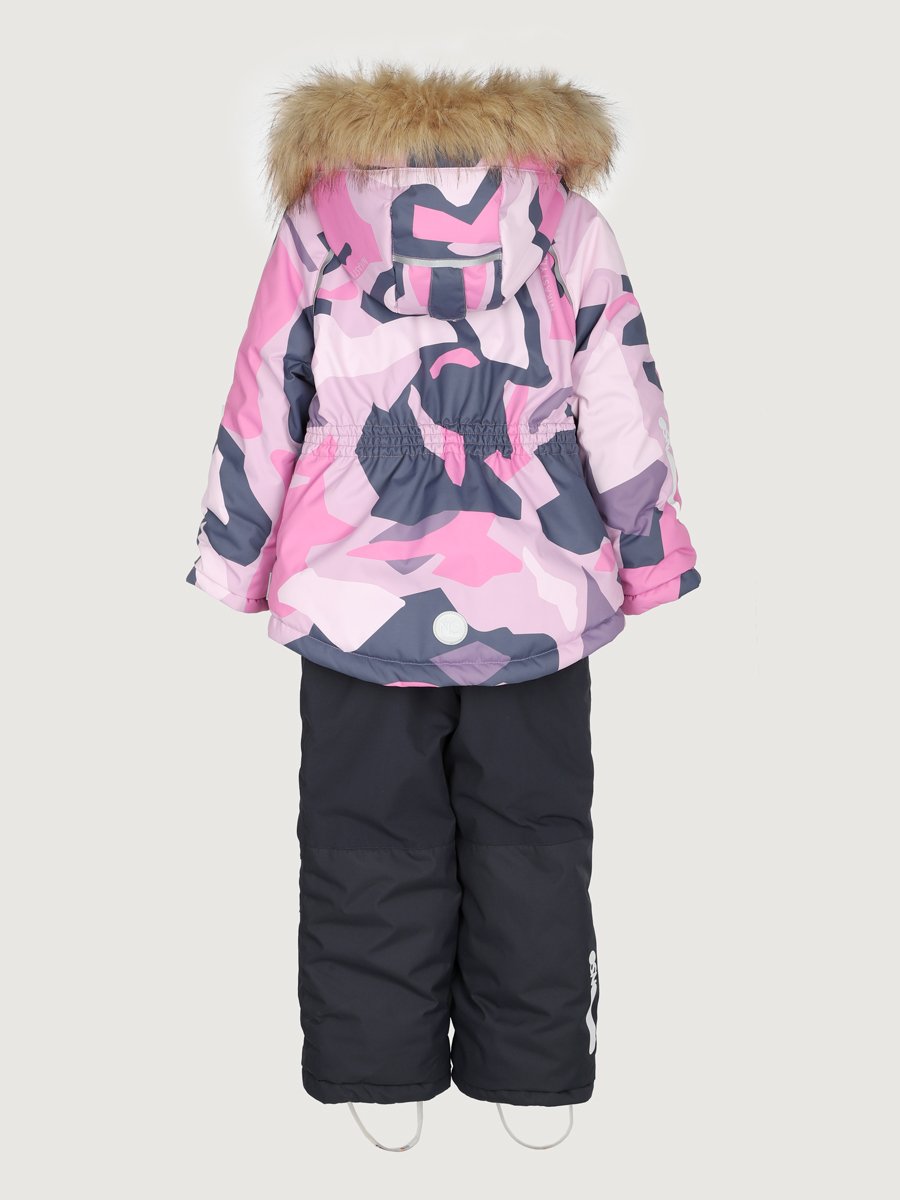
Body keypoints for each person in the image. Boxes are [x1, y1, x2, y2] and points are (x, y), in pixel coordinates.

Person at [187, 63, 700, 1151]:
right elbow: (623, 401)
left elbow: (265, 390)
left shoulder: (318, 226)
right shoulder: (569, 228)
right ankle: (534, 1072)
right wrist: (649, 557)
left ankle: (378, 1074)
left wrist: (236, 558)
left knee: (364, 837)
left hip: (354, 598)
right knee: (533, 837)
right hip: (538, 591)